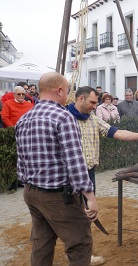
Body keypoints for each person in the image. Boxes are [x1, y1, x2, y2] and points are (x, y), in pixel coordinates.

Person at [66, 86, 138, 265]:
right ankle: (78, 254)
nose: (95, 106)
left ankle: (85, 255)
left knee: (86, 215)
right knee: (71, 215)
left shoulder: (93, 120)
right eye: (93, 102)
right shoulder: (64, 119)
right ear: (80, 99)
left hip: (88, 173)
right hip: (67, 176)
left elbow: (119, 133)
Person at [15, 72, 98, 266]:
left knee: (41, 244)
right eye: (67, 90)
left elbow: (21, 163)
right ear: (59, 90)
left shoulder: (24, 119)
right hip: (58, 197)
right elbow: (76, 163)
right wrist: (90, 197)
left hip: (31, 193)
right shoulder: (63, 117)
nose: (68, 94)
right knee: (80, 244)